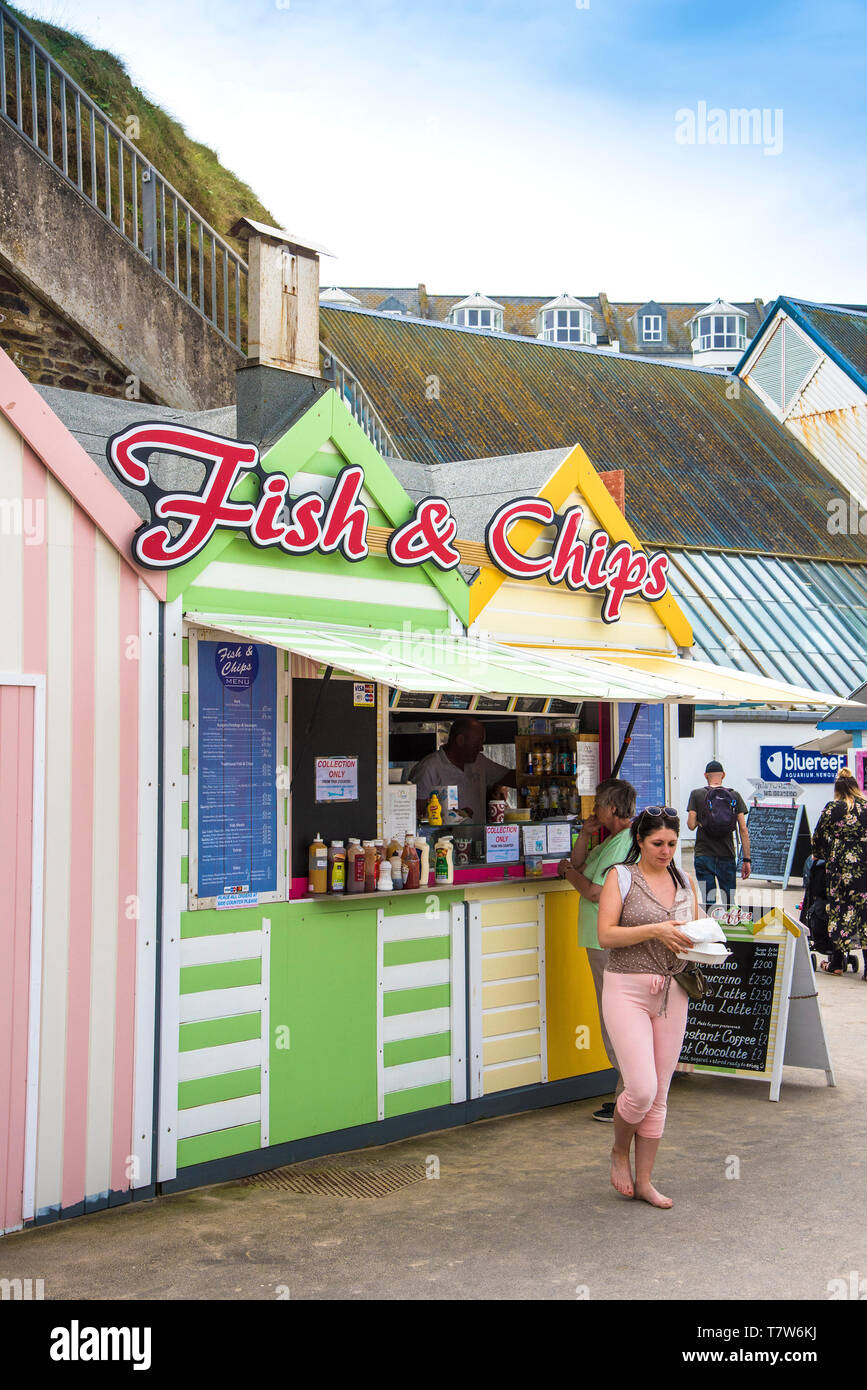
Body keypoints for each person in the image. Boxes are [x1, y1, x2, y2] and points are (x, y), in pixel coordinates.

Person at [596, 807, 699, 1208]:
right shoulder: (620, 877)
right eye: (658, 843)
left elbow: (697, 925)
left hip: (673, 990)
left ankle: (645, 1181)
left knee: (660, 1094)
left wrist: (709, 936)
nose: (666, 851)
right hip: (627, 989)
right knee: (640, 1088)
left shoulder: (684, 880)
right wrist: (656, 929)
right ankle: (619, 1150)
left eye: (672, 844)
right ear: (639, 840)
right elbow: (605, 934)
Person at [557, 778, 636, 1122]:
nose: (594, 810)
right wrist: (586, 834)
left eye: (599, 805)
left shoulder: (624, 842)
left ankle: (630, 1099)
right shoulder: (613, 840)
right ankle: (628, 1094)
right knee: (615, 1021)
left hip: (608, 943)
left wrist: (569, 873)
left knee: (616, 1023)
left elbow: (593, 891)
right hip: (601, 941)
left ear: (614, 808)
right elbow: (582, 865)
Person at [811, 767, 867, 977]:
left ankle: (836, 963)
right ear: (855, 786)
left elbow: (818, 837)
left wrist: (822, 853)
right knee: (865, 912)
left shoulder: (833, 808)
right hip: (865, 864)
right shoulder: (866, 806)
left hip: (840, 866)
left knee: (840, 911)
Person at [409, 716, 516, 823]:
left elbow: (511, 778)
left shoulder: (480, 762)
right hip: (443, 839)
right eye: (477, 743)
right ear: (460, 740)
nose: (481, 748)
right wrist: (456, 816)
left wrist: (531, 772)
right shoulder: (428, 768)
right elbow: (416, 815)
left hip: (478, 838)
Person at [687, 760, 751, 910]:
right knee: (729, 903)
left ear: (705, 776)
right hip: (727, 854)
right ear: (723, 775)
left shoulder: (696, 794)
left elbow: (690, 825)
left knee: (708, 902)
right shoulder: (734, 795)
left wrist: (702, 820)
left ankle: (711, 931)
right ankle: (730, 930)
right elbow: (743, 829)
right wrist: (746, 859)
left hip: (704, 854)